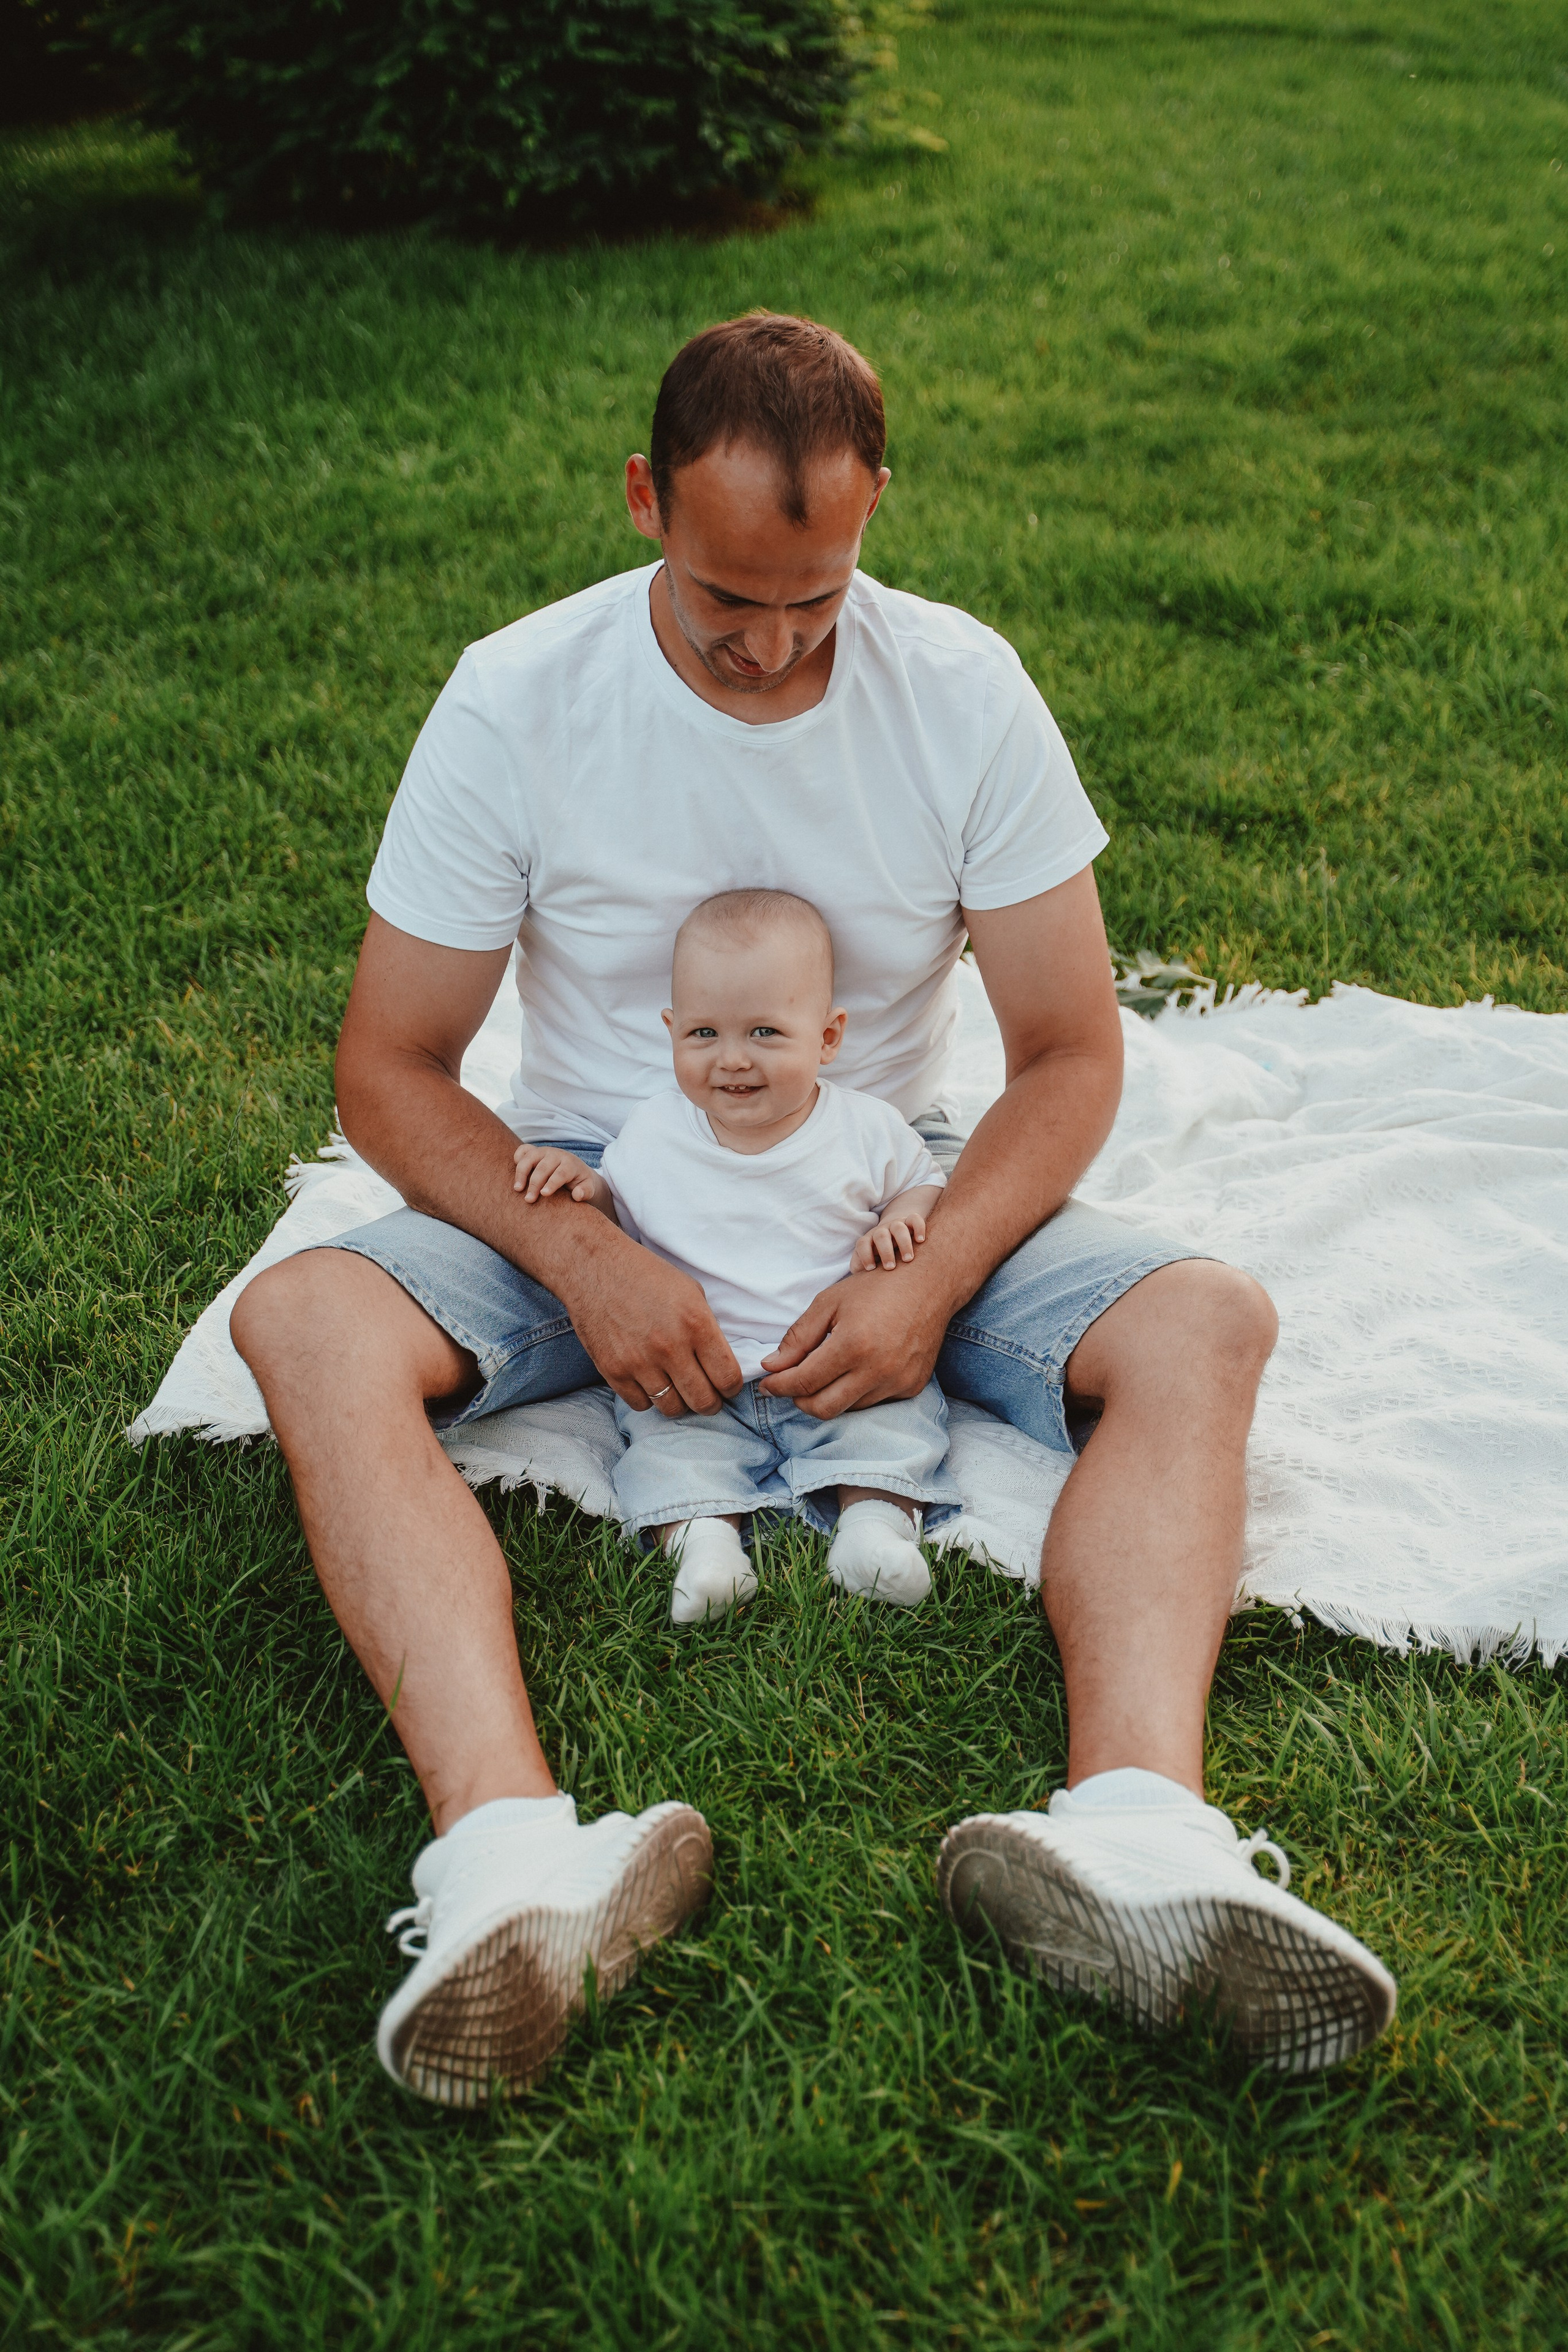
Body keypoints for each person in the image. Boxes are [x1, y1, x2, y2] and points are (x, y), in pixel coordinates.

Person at [231, 310, 1396, 2103]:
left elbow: (1071, 1052)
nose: (775, 650)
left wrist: (929, 1272)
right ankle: (514, 1866)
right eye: (727, 605)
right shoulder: (518, 694)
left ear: (873, 515)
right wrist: (583, 1256)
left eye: (816, 602)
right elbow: (391, 1065)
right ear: (642, 498)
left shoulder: (960, 686)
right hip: (585, 1178)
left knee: (1202, 1316)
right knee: (302, 1315)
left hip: (874, 1183)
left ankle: (1136, 1838)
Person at [516, 886, 959, 1623]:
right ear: (670, 1032)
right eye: (702, 1035)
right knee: (665, 1454)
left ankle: (873, 1532)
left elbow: (922, 1185)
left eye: (763, 1033)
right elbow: (615, 1212)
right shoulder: (657, 1131)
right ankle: (705, 1549)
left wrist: (901, 1222)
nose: (732, 1061)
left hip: (832, 1360)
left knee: (892, 1428)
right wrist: (581, 1188)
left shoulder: (865, 1129)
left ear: (827, 1037)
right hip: (698, 1370)